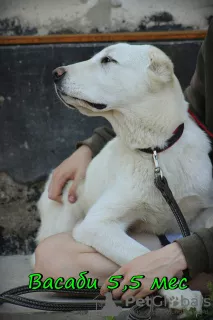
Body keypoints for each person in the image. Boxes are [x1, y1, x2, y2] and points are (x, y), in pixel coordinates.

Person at [34, 20, 213, 299]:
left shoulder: (199, 160)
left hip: (189, 244)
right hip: (155, 239)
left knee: (58, 268)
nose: (63, 72)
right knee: (49, 260)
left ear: (158, 72)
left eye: (107, 61)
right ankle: (183, 282)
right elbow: (193, 101)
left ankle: (165, 282)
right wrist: (89, 148)